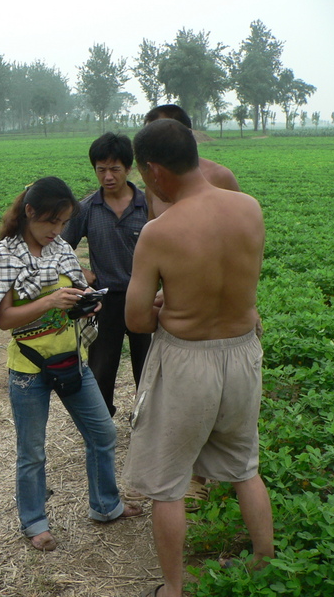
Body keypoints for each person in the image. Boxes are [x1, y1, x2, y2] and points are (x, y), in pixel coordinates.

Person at [123, 120, 274, 597]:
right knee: (245, 467)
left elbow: (137, 320)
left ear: (154, 170)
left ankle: (173, 587)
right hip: (242, 353)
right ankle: (264, 564)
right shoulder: (249, 209)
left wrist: (169, 305)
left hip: (188, 363)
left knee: (167, 484)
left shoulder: (159, 232)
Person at [0, 177, 142, 552]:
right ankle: (34, 522)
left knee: (103, 434)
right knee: (31, 451)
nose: (57, 231)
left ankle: (105, 505)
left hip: (72, 359)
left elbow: (75, 291)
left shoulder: (62, 249)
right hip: (30, 370)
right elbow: (4, 319)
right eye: (51, 221)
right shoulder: (5, 256)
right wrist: (49, 302)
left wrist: (86, 301)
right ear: (29, 212)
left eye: (63, 222)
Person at [61, 132, 151, 417]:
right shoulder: (87, 209)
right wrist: (81, 271)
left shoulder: (148, 206)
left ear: (128, 168)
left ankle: (147, 418)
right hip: (105, 300)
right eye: (101, 169)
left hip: (145, 297)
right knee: (102, 366)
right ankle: (101, 422)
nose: (108, 176)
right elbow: (61, 249)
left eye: (114, 169)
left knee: (148, 365)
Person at [143, 104, 240, 220]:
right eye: (149, 137)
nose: (154, 143)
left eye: (161, 134)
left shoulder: (221, 177)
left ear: (187, 133)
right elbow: (153, 231)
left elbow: (238, 226)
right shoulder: (153, 184)